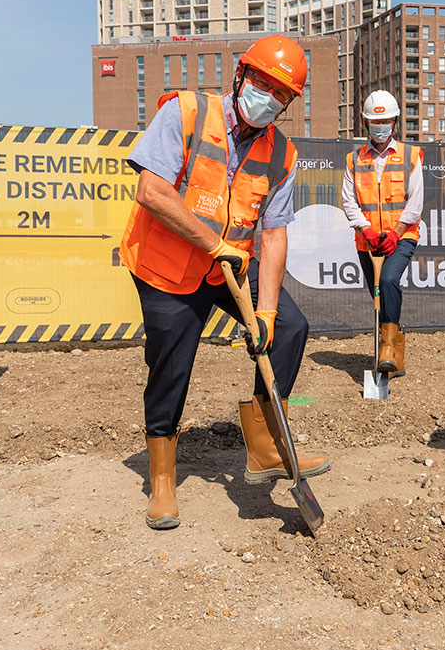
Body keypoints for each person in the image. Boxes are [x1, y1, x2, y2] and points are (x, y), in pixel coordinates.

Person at [120, 35, 329, 530]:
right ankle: (163, 479)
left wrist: (267, 312)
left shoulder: (281, 152)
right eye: (261, 83)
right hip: (167, 267)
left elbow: (274, 234)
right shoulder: (187, 113)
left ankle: (263, 443)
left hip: (227, 267)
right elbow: (151, 190)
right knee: (172, 361)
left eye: (280, 94)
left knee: (290, 329)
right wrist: (213, 243)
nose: (267, 97)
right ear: (241, 75)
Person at [341, 90, 424, 376]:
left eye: (386, 120)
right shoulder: (354, 160)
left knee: (388, 280)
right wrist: (366, 229)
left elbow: (415, 202)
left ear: (395, 123)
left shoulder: (411, 155)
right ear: (365, 123)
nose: (381, 126)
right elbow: (348, 201)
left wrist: (395, 232)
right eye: (375, 121)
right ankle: (393, 355)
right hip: (368, 240)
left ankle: (387, 350)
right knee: (376, 292)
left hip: (402, 237)